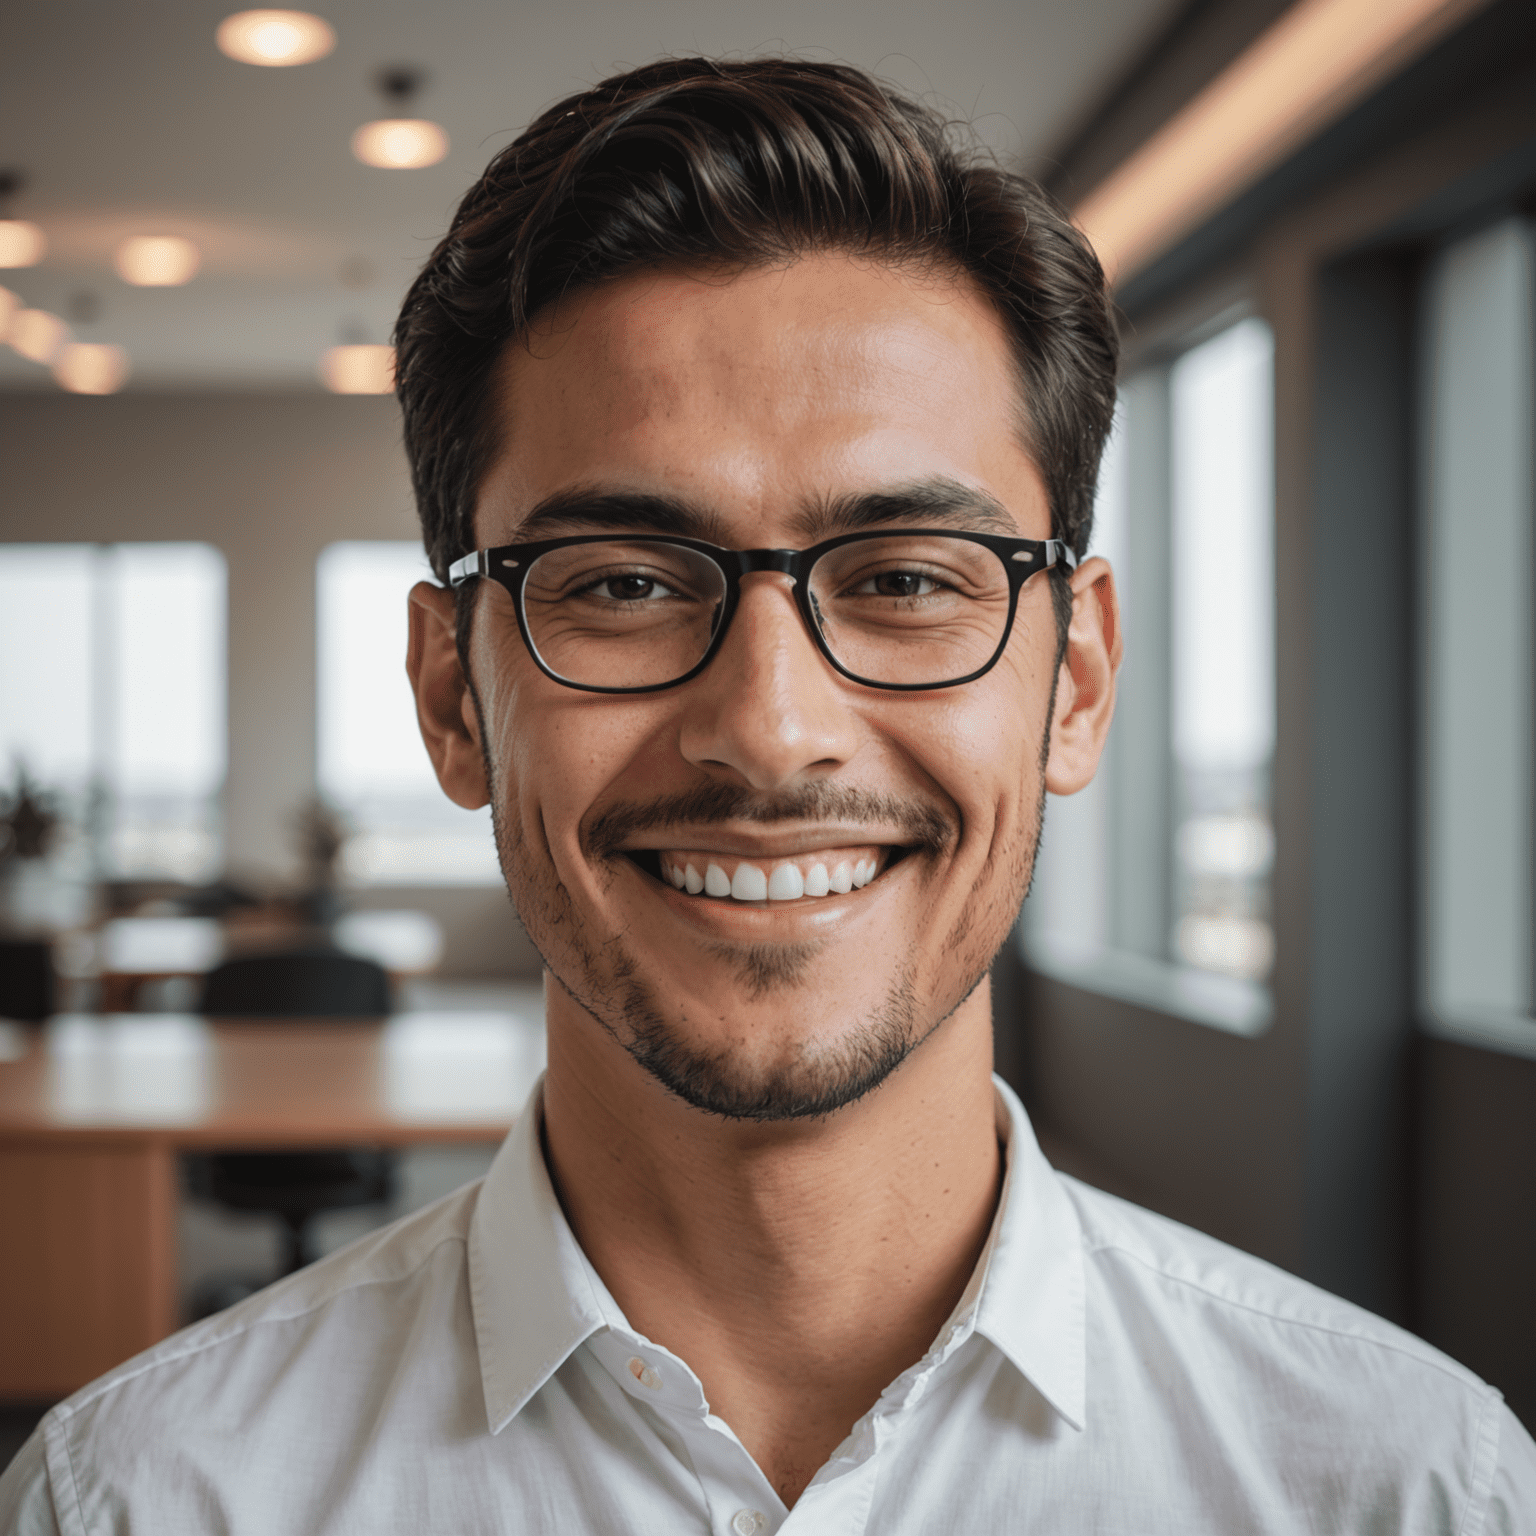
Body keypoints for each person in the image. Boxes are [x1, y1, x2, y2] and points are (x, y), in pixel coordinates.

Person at [3, 56, 1532, 1535]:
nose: (771, 728)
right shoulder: (138, 1502)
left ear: (1072, 683)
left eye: (910, 579)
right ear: (450, 697)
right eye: (619, 583)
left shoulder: (1415, 1492)